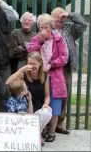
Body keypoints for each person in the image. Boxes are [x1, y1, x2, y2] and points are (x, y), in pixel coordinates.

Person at [28, 14, 68, 142]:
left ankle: (52, 131)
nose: (44, 30)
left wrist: (51, 65)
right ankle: (42, 130)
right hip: (39, 75)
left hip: (54, 76)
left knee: (55, 103)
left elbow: (64, 57)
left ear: (51, 27)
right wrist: (40, 40)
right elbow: (31, 51)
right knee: (40, 102)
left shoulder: (59, 39)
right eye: (41, 27)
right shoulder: (37, 38)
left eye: (46, 27)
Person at [51, 7, 88, 135]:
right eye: (57, 17)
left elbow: (83, 24)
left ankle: (59, 124)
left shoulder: (70, 29)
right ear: (52, 18)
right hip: (52, 67)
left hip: (66, 67)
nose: (60, 20)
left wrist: (69, 15)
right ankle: (49, 124)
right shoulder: (48, 29)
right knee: (50, 93)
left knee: (64, 95)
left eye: (62, 17)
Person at [6, 51, 53, 145]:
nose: (31, 66)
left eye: (34, 64)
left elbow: (47, 96)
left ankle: (35, 133)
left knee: (47, 112)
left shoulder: (45, 75)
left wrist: (46, 104)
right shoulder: (24, 74)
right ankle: (33, 136)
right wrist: (21, 70)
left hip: (38, 107)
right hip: (25, 107)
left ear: (40, 63)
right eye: (29, 63)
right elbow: (8, 82)